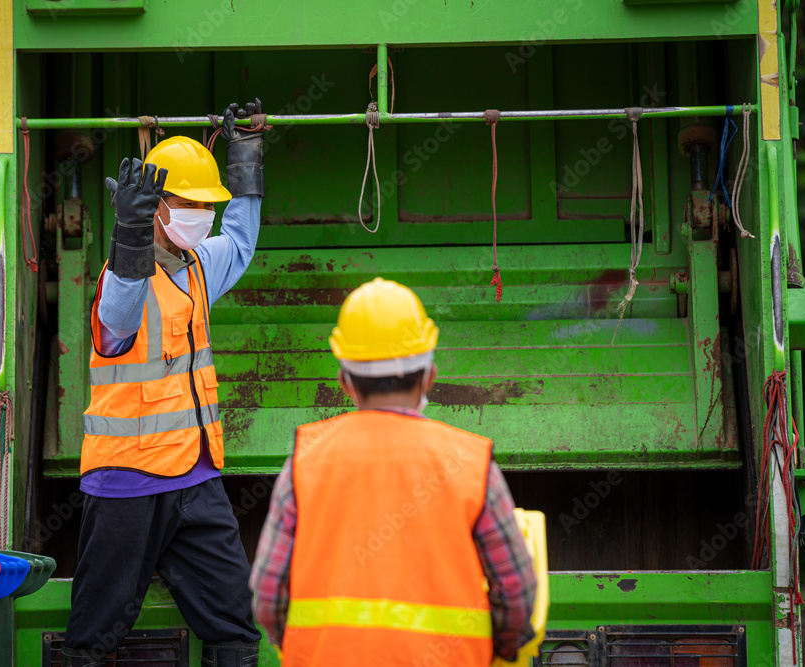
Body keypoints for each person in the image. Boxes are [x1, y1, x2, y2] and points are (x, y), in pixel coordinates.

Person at [63, 100, 267, 667]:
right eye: (190, 205)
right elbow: (122, 316)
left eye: (208, 207)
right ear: (155, 209)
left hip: (196, 481)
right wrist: (127, 230)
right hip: (127, 483)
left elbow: (243, 242)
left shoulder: (199, 266)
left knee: (235, 629)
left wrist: (245, 158)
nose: (202, 216)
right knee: (93, 639)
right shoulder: (121, 281)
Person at [250, 278, 537, 666]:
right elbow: (516, 593)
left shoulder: (305, 461)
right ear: (429, 378)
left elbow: (268, 594)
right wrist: (499, 647)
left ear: (345, 383)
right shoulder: (471, 463)